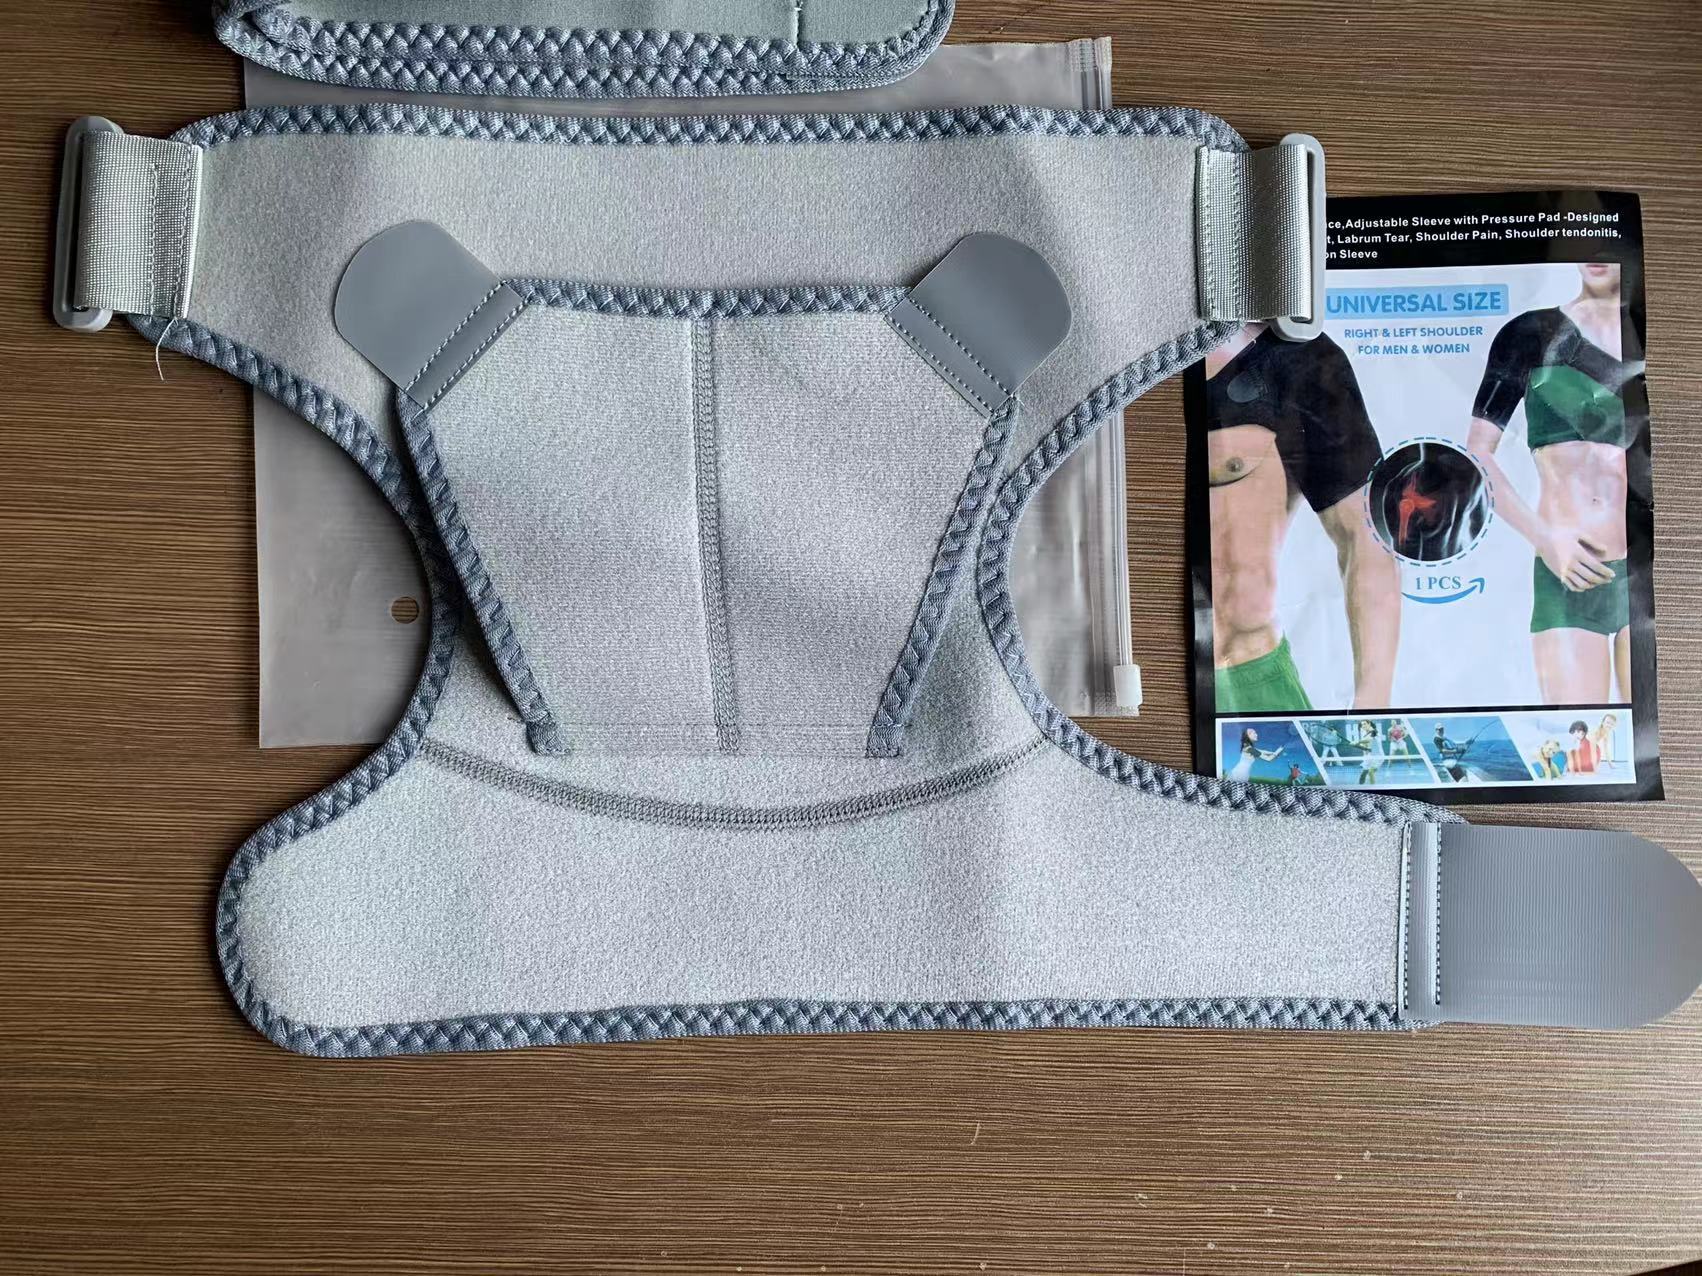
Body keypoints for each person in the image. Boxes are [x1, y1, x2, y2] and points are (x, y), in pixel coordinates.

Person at [1466, 264, 1642, 704]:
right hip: (1565, 573)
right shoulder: (1531, 333)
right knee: (1576, 737)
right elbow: (1477, 454)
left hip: (1647, 575)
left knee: (1657, 733)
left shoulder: (1659, 335)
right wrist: (1546, 540)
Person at [1205, 324, 1400, 713]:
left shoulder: (1298, 357)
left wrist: (1372, 706)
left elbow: (1366, 538)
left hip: (1249, 677)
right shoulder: (1128, 361)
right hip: (1131, 665)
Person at [1354, 719, 1385, 786]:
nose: (1363, 726)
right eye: (1362, 725)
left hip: (1378, 756)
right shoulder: (1364, 734)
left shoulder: (1374, 732)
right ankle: (1360, 788)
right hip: (1369, 756)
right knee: (1363, 774)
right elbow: (1365, 748)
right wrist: (1356, 745)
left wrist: (1358, 742)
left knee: (1371, 772)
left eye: (1365, 724)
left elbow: (1369, 739)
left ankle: (1373, 789)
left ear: (1369, 724)